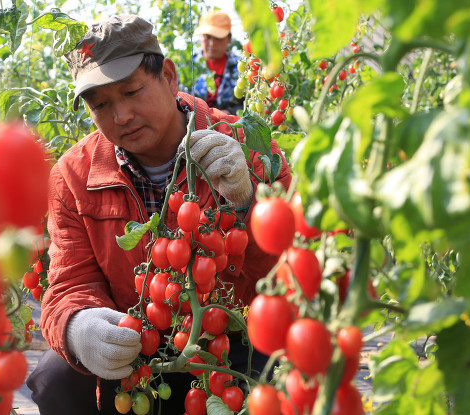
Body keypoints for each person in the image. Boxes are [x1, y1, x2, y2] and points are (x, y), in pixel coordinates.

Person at [26, 15, 291, 414]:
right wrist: (77, 326)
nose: (121, 116)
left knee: (277, 379)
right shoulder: (71, 175)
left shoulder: (247, 148)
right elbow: (68, 282)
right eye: (101, 105)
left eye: (132, 92)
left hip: (228, 342)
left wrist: (247, 203)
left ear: (169, 77)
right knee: (52, 378)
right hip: (136, 342)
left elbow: (286, 271)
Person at [192, 9, 244, 115]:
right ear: (200, 37)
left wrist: (229, 113)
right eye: (207, 37)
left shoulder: (240, 68)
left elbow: (247, 103)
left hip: (229, 128)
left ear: (229, 38)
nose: (212, 43)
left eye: (218, 38)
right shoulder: (188, 66)